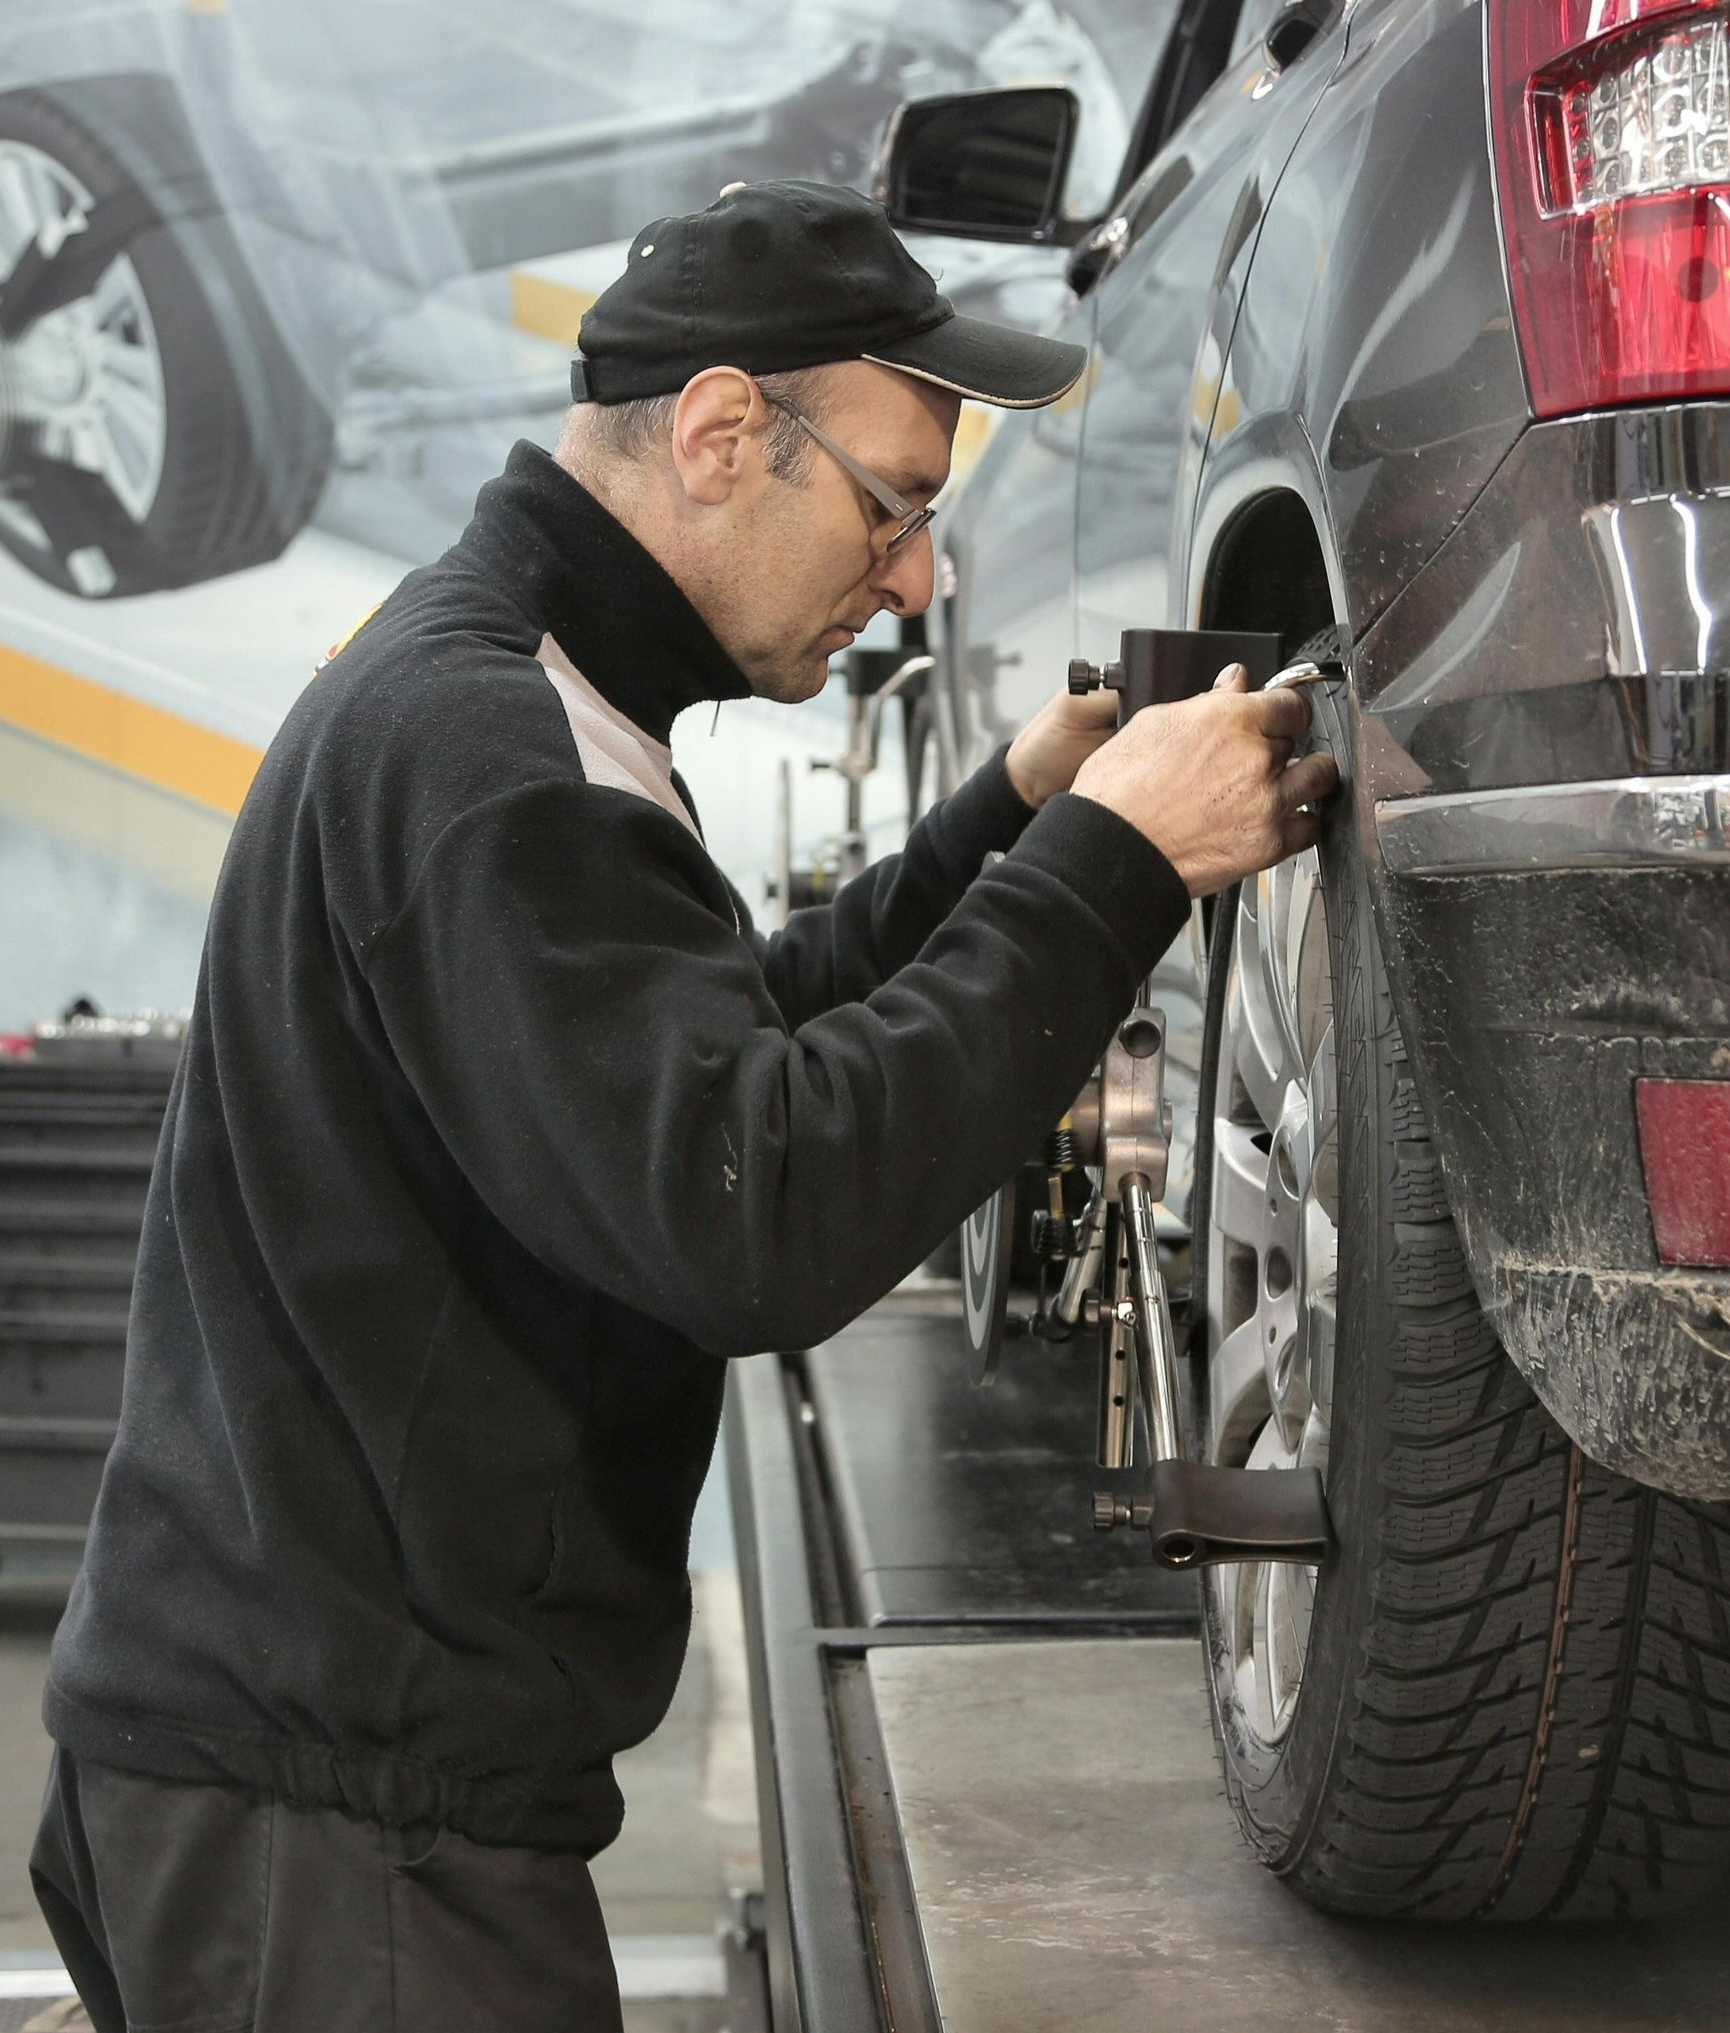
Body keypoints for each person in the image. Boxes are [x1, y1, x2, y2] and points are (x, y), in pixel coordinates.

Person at [30, 180, 1335, 2030]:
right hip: (336, 1832)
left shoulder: (522, 694)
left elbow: (706, 1055)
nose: (917, 579)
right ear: (725, 432)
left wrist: (1016, 829)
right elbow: (745, 1205)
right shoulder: (483, 746)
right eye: (895, 506)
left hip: (317, 1779)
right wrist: (1118, 864)